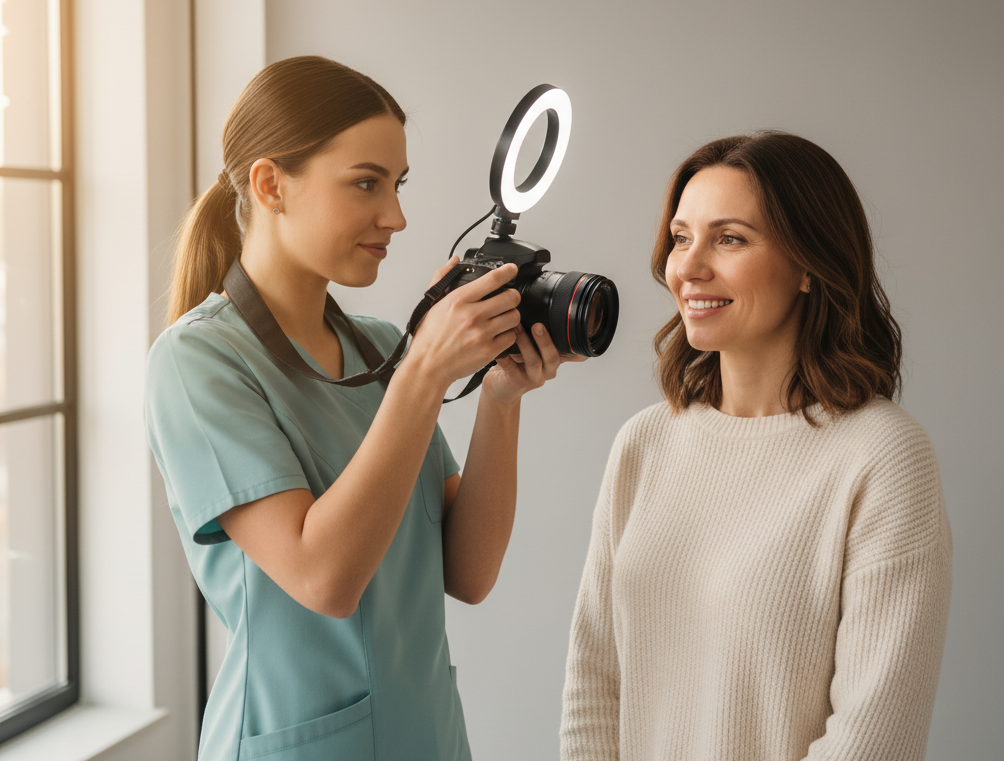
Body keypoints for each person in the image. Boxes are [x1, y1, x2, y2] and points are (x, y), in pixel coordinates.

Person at [146, 56, 581, 761]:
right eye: (366, 184)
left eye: (398, 184)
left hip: (428, 735)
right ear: (270, 184)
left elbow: (467, 573)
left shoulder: (381, 347)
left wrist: (501, 396)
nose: (397, 216)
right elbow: (325, 577)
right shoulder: (196, 363)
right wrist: (426, 371)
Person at [560, 132, 951, 761]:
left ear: (807, 265)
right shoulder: (645, 443)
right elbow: (594, 683)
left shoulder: (882, 456)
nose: (686, 267)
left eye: (730, 238)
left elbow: (874, 738)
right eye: (681, 237)